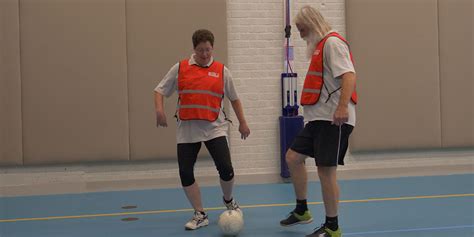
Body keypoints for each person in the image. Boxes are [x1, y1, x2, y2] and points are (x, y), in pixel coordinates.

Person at [154, 29, 250, 230]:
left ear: (212, 48)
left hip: (215, 127)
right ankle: (200, 214)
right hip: (187, 130)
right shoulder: (180, 68)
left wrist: (242, 122)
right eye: (200, 50)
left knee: (226, 168)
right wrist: (160, 111)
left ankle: (229, 199)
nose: (205, 54)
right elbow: (160, 90)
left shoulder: (222, 71)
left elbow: (234, 98)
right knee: (185, 172)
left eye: (208, 50)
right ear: (194, 49)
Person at [279, 6, 358, 237]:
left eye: (302, 30)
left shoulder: (333, 43)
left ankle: (332, 227)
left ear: (312, 24)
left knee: (325, 171)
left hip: (333, 119)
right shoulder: (319, 47)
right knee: (293, 158)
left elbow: (349, 75)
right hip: (317, 119)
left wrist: (342, 107)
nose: (301, 35)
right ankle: (302, 210)